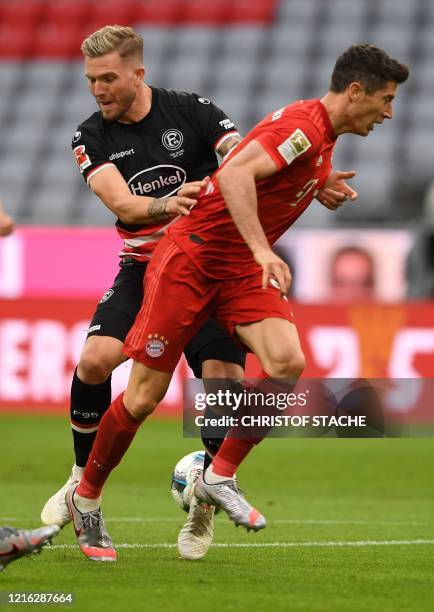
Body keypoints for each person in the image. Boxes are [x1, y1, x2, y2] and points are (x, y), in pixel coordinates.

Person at [64, 44, 409, 561]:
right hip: (192, 261)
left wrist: (317, 182)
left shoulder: (320, 140)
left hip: (236, 271)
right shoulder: (304, 127)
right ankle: (86, 499)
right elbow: (232, 175)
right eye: (384, 99)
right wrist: (260, 249)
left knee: (287, 362)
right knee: (142, 398)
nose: (388, 112)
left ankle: (217, 475)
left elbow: (264, 168)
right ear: (355, 91)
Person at [40, 25, 246, 560]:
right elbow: (126, 207)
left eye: (108, 78)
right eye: (90, 80)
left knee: (226, 381)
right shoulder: (90, 135)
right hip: (144, 268)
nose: (98, 89)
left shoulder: (194, 111)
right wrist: (169, 202)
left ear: (139, 73)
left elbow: (246, 160)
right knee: (94, 361)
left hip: (205, 267)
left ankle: (202, 505)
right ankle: (83, 483)